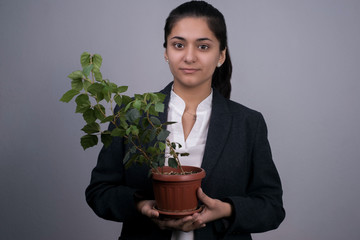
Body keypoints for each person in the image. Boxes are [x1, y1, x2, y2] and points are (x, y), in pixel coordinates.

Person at [85, 1, 285, 239]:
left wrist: (226, 210)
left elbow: (271, 207)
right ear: (166, 52)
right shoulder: (132, 114)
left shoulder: (248, 123)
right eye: (178, 45)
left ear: (221, 55)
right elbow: (99, 191)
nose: (189, 57)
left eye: (203, 46)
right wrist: (140, 206)